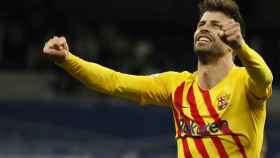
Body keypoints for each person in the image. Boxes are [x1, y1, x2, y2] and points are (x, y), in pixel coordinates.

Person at [42, 0, 273, 157]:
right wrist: (67, 59)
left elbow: (264, 77)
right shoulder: (177, 85)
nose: (204, 28)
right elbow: (115, 82)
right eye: (201, 24)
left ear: (233, 41)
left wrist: (243, 48)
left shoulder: (246, 81)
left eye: (215, 25)